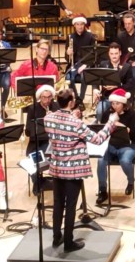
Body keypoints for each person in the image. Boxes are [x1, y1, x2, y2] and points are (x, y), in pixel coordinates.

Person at [44, 87, 117, 252]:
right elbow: (97, 139)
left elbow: (61, 126)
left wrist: (72, 116)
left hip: (56, 168)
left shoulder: (48, 118)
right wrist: (111, 123)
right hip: (73, 170)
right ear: (71, 102)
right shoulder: (76, 123)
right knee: (70, 206)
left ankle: (57, 237)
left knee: (58, 204)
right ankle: (68, 242)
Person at [96, 89, 135, 203]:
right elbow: (102, 130)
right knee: (100, 161)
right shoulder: (107, 113)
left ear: (124, 104)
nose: (114, 106)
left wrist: (125, 128)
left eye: (117, 103)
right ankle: (102, 190)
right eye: (113, 103)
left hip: (128, 145)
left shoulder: (132, 114)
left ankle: (131, 181)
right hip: (111, 145)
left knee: (125, 161)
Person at [67, 14, 98, 102]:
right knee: (69, 78)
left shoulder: (90, 36)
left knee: (83, 77)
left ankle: (81, 99)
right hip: (75, 63)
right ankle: (76, 98)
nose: (80, 26)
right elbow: (68, 58)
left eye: (81, 24)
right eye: (77, 24)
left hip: (87, 64)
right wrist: (68, 53)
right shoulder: (70, 37)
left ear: (84, 25)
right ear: (74, 25)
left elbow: (94, 54)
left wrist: (85, 65)